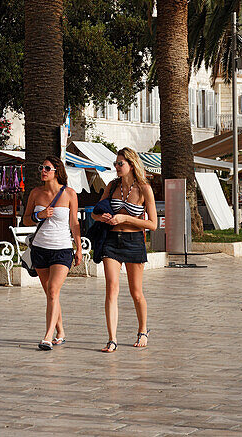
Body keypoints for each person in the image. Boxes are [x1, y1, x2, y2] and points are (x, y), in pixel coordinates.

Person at [92, 147, 157, 352]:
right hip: (111, 240)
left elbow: (153, 224)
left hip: (134, 241)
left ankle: (143, 330)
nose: (117, 167)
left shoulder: (144, 188)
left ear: (131, 164)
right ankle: (112, 339)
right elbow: (95, 213)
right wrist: (101, 217)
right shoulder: (111, 186)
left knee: (136, 292)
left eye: (120, 163)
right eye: (115, 164)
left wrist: (126, 218)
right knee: (111, 288)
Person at [22, 155, 82, 351]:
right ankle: (61, 331)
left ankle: (47, 336)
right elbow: (25, 220)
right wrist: (39, 215)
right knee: (50, 294)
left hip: (62, 249)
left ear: (57, 171)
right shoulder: (36, 193)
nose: (43, 171)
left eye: (47, 168)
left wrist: (79, 248)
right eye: (42, 167)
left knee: (54, 291)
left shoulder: (70, 194)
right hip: (40, 248)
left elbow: (74, 223)